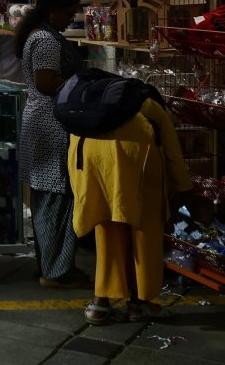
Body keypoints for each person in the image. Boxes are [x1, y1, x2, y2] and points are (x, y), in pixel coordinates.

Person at [72, 97, 195, 325]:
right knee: (144, 232)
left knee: (107, 228)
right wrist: (185, 189)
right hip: (139, 158)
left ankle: (100, 304)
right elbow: (173, 155)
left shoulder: (94, 103)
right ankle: (140, 304)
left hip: (94, 162)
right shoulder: (150, 105)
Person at [15, 0, 91, 289]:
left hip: (40, 123)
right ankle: (55, 272)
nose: (70, 20)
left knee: (47, 199)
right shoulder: (46, 40)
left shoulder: (36, 34)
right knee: (56, 198)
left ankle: (49, 265)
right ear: (52, 10)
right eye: (68, 14)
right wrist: (80, 84)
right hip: (50, 125)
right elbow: (46, 83)